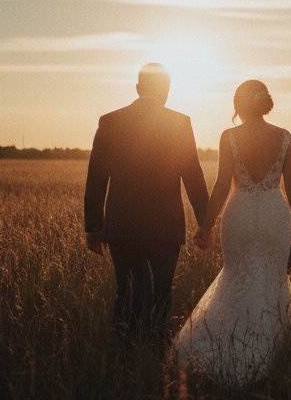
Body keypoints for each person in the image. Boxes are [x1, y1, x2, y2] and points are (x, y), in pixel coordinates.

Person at [172, 80, 291, 386]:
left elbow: (222, 185)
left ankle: (227, 341)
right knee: (272, 278)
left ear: (239, 105)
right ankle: (268, 350)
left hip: (240, 214)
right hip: (275, 214)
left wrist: (205, 225)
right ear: (265, 102)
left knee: (237, 276)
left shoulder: (229, 137)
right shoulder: (284, 137)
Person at [84, 63, 209, 354]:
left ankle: (123, 356)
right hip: (165, 227)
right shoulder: (180, 122)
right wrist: (205, 222)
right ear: (166, 91)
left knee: (125, 292)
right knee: (161, 293)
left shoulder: (110, 121)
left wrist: (93, 228)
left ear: (138, 88)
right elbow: (193, 175)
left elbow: (96, 177)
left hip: (121, 225)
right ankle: (154, 354)